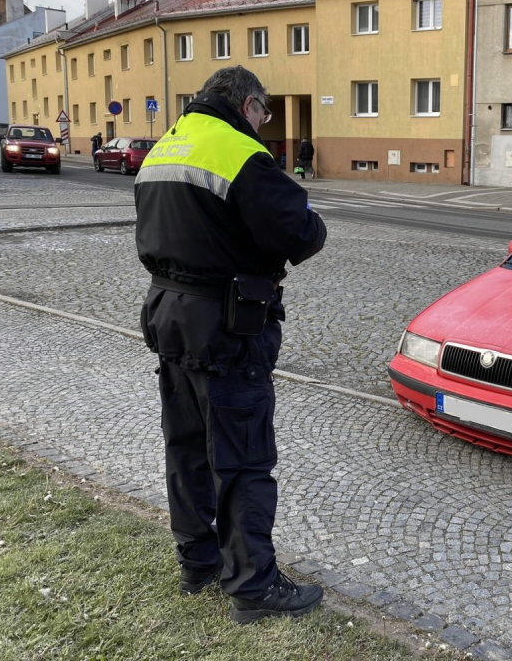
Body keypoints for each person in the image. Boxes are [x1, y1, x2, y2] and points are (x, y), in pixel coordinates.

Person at [134, 66, 327, 625]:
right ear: (247, 105)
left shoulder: (163, 148)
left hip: (169, 316)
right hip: (226, 324)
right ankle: (252, 586)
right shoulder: (238, 152)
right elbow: (302, 232)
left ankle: (197, 562)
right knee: (242, 459)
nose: (264, 125)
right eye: (264, 115)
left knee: (188, 448)